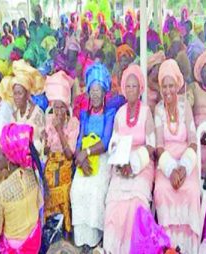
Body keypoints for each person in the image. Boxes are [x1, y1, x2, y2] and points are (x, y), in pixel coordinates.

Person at [104, 65, 155, 253]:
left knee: (136, 202)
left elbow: (150, 146)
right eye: (128, 86)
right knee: (114, 202)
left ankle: (133, 248)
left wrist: (134, 163)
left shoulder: (146, 112)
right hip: (121, 163)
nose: (131, 90)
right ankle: (113, 248)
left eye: (135, 86)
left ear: (140, 88)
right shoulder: (119, 114)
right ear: (124, 89)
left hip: (141, 163)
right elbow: (113, 144)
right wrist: (121, 162)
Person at [154, 59, 200, 253]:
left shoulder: (185, 106)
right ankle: (168, 246)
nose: (167, 91)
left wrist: (183, 168)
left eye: (171, 85)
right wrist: (171, 170)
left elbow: (193, 141)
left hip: (186, 159)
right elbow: (158, 146)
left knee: (190, 190)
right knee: (162, 190)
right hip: (166, 161)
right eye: (164, 86)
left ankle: (188, 248)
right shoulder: (157, 109)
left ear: (178, 85)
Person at [70, 63, 117, 253]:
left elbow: (105, 142)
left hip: (102, 158)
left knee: (95, 190)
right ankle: (82, 239)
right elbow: (80, 139)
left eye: (98, 90)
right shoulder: (84, 114)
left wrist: (86, 154)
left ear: (104, 91)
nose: (95, 94)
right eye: (92, 90)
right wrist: (80, 158)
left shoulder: (109, 113)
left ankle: (95, 239)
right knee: (78, 189)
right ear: (88, 92)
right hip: (84, 159)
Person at [0, 123, 43, 253]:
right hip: (35, 239)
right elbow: (39, 203)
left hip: (17, 249)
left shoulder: (2, 192)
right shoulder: (31, 173)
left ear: (9, 159)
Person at [44, 71, 79, 235]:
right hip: (51, 162)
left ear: (67, 107)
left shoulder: (73, 123)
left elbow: (70, 154)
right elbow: (46, 149)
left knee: (63, 190)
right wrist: (44, 140)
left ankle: (65, 227)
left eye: (61, 107)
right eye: (55, 107)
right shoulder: (48, 121)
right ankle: (50, 228)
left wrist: (59, 130)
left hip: (65, 163)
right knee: (47, 187)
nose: (58, 111)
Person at [0, 60, 45, 153]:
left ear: (27, 94)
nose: (17, 97)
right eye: (15, 94)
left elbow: (43, 141)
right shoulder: (14, 115)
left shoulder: (37, 112)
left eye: (20, 93)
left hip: (35, 159)